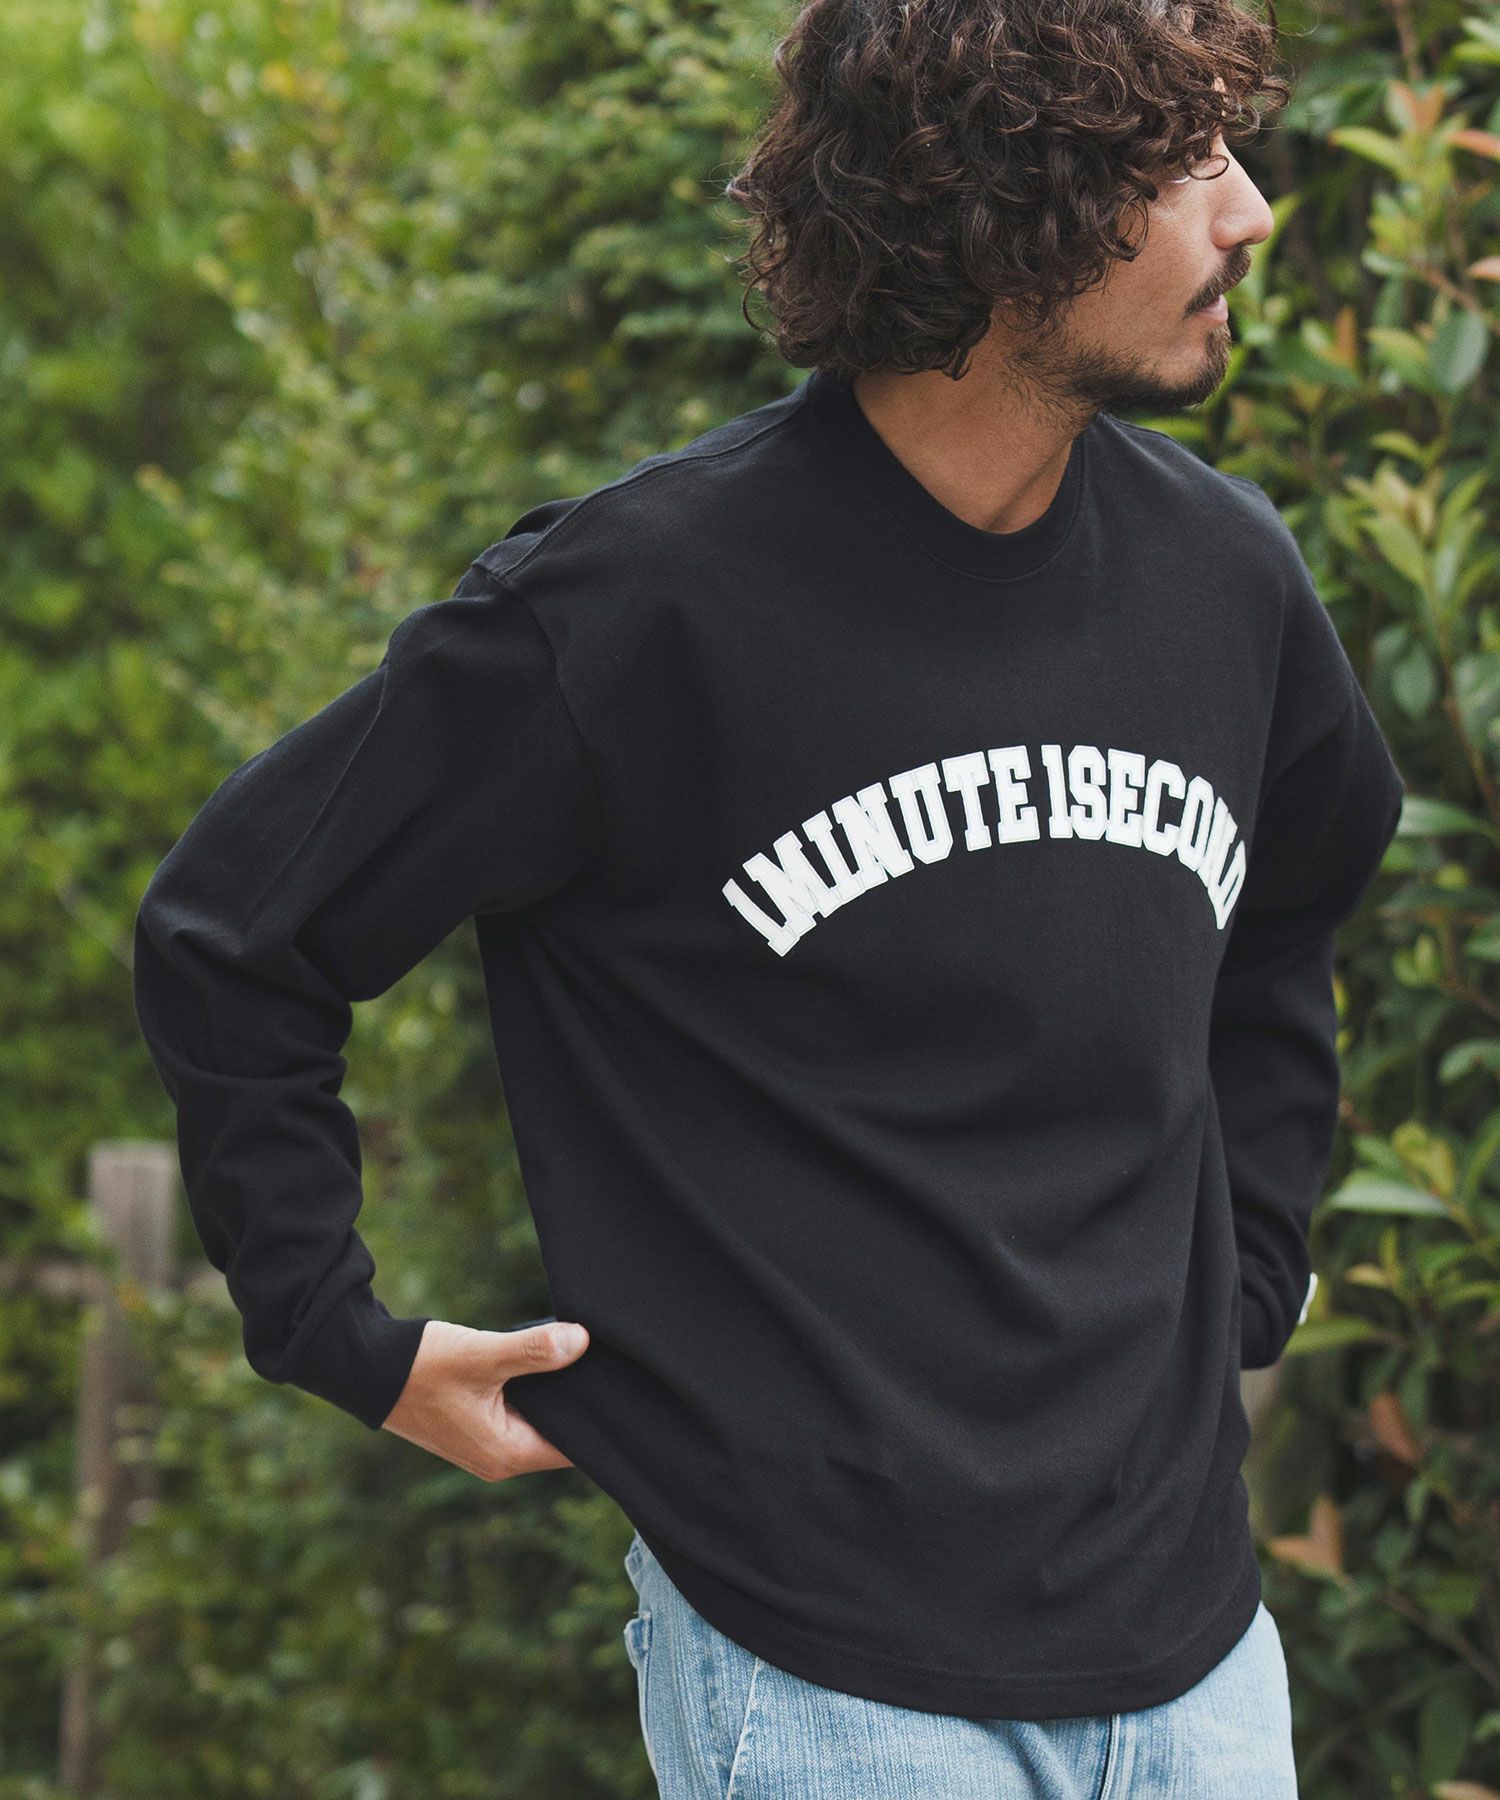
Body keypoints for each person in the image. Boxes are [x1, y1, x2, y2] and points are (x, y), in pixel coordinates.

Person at [132, 0, 1407, 1792]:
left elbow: (1295, 904)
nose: (1251, 212)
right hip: (824, 1683)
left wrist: (1251, 1272)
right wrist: (336, 1329)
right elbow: (235, 931)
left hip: (1198, 1662)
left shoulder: (1229, 579)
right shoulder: (635, 612)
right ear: (1005, 206)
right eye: (1177, 161)